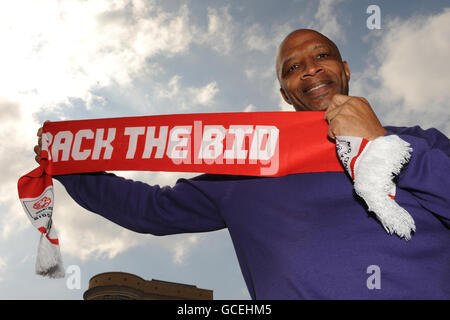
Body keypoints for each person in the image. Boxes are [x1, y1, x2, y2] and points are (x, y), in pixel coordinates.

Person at [34, 29, 450, 299]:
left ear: (344, 69)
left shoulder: (419, 140)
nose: (310, 69)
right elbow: (150, 209)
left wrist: (381, 145)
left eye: (321, 56)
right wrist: (71, 162)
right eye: (293, 68)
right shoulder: (247, 163)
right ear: (286, 93)